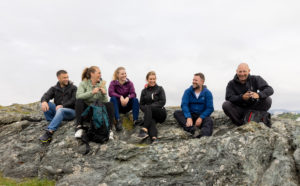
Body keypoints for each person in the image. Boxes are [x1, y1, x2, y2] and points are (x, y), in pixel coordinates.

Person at [74, 66, 115, 138]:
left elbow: (105, 101)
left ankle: (109, 130)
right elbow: (78, 96)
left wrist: (104, 94)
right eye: (98, 73)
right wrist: (92, 92)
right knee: (79, 101)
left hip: (98, 111)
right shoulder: (83, 83)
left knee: (110, 104)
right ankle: (79, 127)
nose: (100, 75)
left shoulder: (102, 83)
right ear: (92, 74)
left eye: (100, 73)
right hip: (87, 111)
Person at [39, 70, 77, 142]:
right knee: (46, 103)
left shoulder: (73, 88)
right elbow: (46, 95)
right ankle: (53, 121)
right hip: (58, 111)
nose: (66, 79)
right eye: (64, 78)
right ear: (58, 78)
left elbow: (74, 100)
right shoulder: (54, 88)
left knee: (61, 110)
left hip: (71, 112)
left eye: (67, 77)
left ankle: (49, 132)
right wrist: (44, 101)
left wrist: (63, 105)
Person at [174, 73, 214, 138]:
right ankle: (193, 130)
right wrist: (188, 117)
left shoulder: (207, 93)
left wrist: (201, 117)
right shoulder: (187, 91)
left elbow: (210, 108)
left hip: (202, 116)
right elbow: (184, 105)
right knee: (177, 113)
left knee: (209, 120)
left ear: (202, 82)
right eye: (193, 80)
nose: (193, 82)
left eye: (196, 80)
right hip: (191, 115)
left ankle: (203, 135)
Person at [137, 71, 167, 143]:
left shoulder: (160, 89)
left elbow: (163, 101)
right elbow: (141, 105)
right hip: (150, 115)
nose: (152, 81)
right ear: (147, 79)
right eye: (150, 79)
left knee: (148, 108)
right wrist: (147, 110)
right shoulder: (144, 91)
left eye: (154, 79)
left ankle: (144, 129)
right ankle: (154, 138)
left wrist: (149, 107)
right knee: (151, 121)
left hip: (160, 113)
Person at [108, 67, 139, 131]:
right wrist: (120, 97)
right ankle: (118, 121)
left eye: (125, 73)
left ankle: (135, 121)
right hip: (118, 107)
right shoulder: (113, 83)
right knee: (113, 98)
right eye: (122, 74)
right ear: (117, 75)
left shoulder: (130, 83)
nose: (124, 75)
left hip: (126, 105)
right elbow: (110, 93)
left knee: (135, 100)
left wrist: (128, 98)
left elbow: (133, 93)